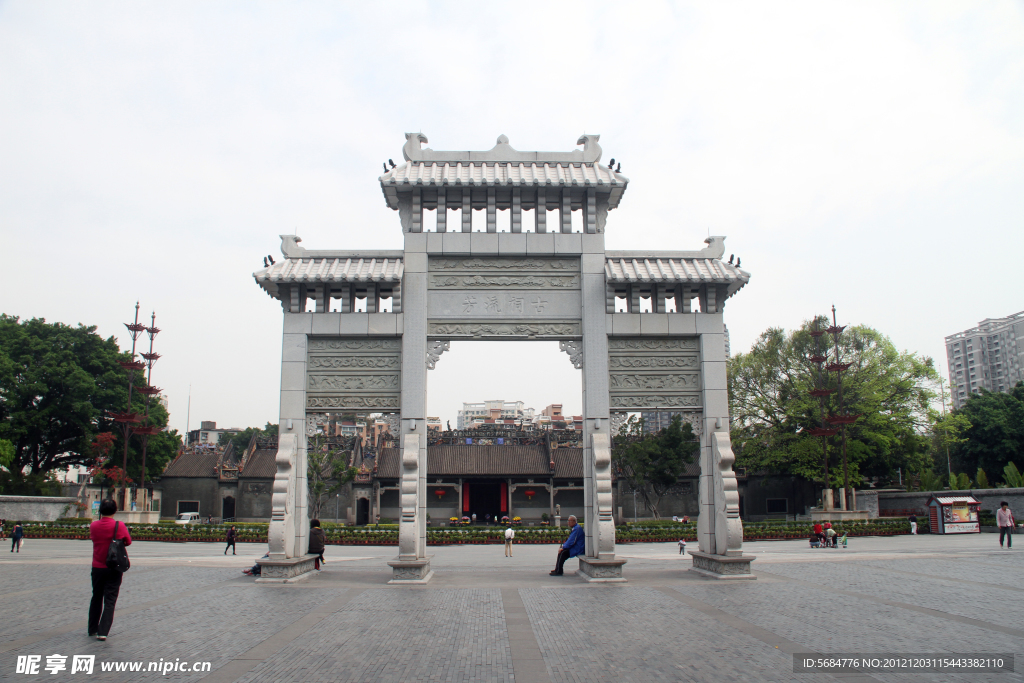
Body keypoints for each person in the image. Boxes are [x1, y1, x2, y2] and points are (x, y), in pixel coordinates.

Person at [89, 499, 132, 641]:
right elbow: (128, 541)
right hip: (114, 566)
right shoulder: (119, 526)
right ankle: (103, 631)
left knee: (96, 597)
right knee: (110, 599)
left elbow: (94, 539)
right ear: (115, 510)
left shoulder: (94, 526)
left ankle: (92, 628)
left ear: (101, 510)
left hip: (97, 566)